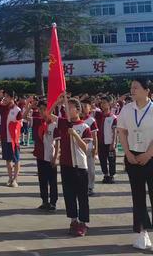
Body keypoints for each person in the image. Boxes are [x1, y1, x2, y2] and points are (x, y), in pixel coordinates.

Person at [117, 78, 153, 250]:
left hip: (151, 156)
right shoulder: (126, 109)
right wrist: (128, 153)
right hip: (132, 156)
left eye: (136, 87)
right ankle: (141, 233)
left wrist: (148, 154)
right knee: (138, 197)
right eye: (131, 87)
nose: (132, 90)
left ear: (147, 91)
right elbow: (122, 131)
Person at [51, 94, 92, 237]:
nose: (67, 109)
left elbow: (86, 148)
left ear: (78, 110)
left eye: (70, 107)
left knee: (82, 196)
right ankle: (73, 220)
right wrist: (57, 101)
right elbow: (48, 114)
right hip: (66, 165)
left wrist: (75, 134)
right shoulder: (63, 122)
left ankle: (83, 222)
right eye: (66, 107)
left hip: (80, 167)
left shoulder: (85, 127)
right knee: (69, 195)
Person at [32, 99, 59, 211]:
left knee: (52, 181)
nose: (42, 112)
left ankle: (53, 202)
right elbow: (23, 117)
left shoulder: (55, 125)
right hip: (40, 156)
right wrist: (31, 106)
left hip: (50, 157)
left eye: (44, 110)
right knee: (42, 180)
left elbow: (58, 143)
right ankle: (44, 201)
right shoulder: (39, 122)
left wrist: (55, 157)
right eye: (40, 110)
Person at [95, 95, 117, 184]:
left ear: (109, 104)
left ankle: (112, 176)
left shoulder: (113, 117)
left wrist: (113, 143)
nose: (102, 105)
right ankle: (106, 174)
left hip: (109, 142)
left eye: (104, 103)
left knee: (111, 160)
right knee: (102, 159)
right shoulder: (98, 115)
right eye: (101, 103)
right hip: (100, 142)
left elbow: (114, 131)